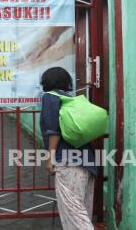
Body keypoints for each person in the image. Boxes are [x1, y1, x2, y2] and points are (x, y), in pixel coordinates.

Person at [39, 67, 97, 230]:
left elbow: (53, 131)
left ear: (46, 82)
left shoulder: (50, 98)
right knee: (82, 210)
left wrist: (50, 159)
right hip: (87, 161)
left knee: (74, 214)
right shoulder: (70, 99)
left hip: (68, 162)